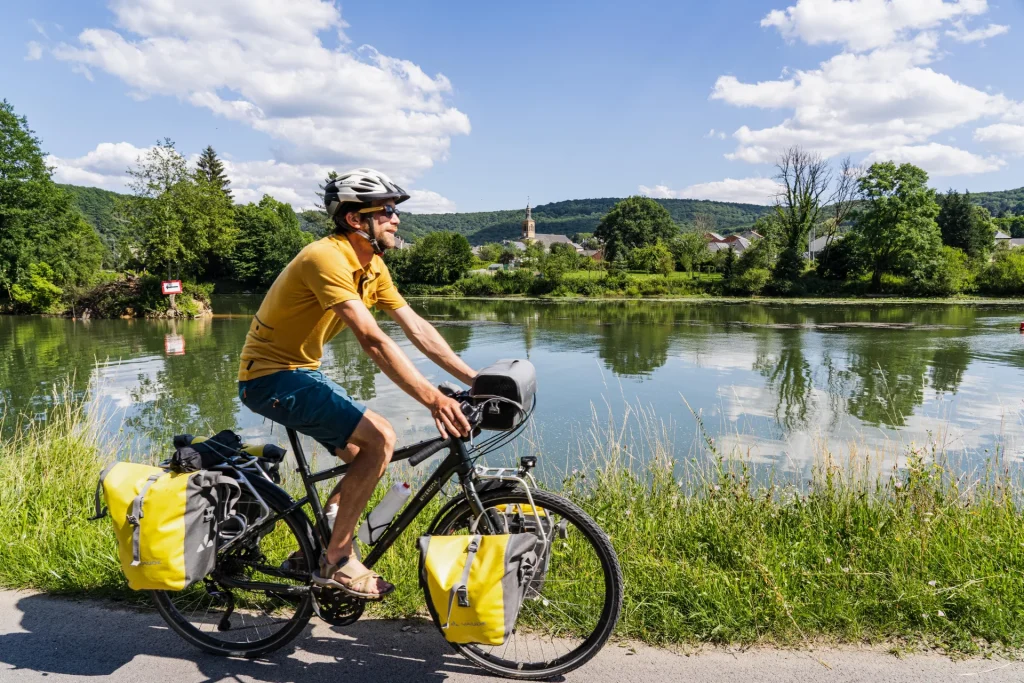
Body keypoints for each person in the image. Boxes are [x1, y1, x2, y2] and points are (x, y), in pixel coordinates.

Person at [237, 168, 475, 600]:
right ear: (354, 220)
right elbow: (372, 339)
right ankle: (338, 559)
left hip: (301, 372)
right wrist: (433, 399)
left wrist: (475, 379)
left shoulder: (372, 266)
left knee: (369, 454)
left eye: (395, 211)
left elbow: (415, 327)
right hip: (268, 378)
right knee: (380, 437)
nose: (395, 219)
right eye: (385, 211)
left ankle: (311, 551)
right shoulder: (325, 258)